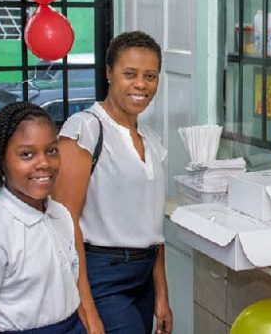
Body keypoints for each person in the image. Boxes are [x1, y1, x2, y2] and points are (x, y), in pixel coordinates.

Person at [54, 31, 172, 334]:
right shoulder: (85, 130)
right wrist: (87, 310)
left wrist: (162, 295)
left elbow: (153, 229)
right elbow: (64, 226)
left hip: (143, 276)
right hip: (102, 275)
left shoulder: (152, 141)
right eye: (129, 74)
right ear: (109, 73)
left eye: (150, 76)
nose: (141, 85)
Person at [0, 102, 84, 334]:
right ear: (2, 160)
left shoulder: (61, 215)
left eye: (51, 150)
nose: (43, 163)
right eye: (26, 154)